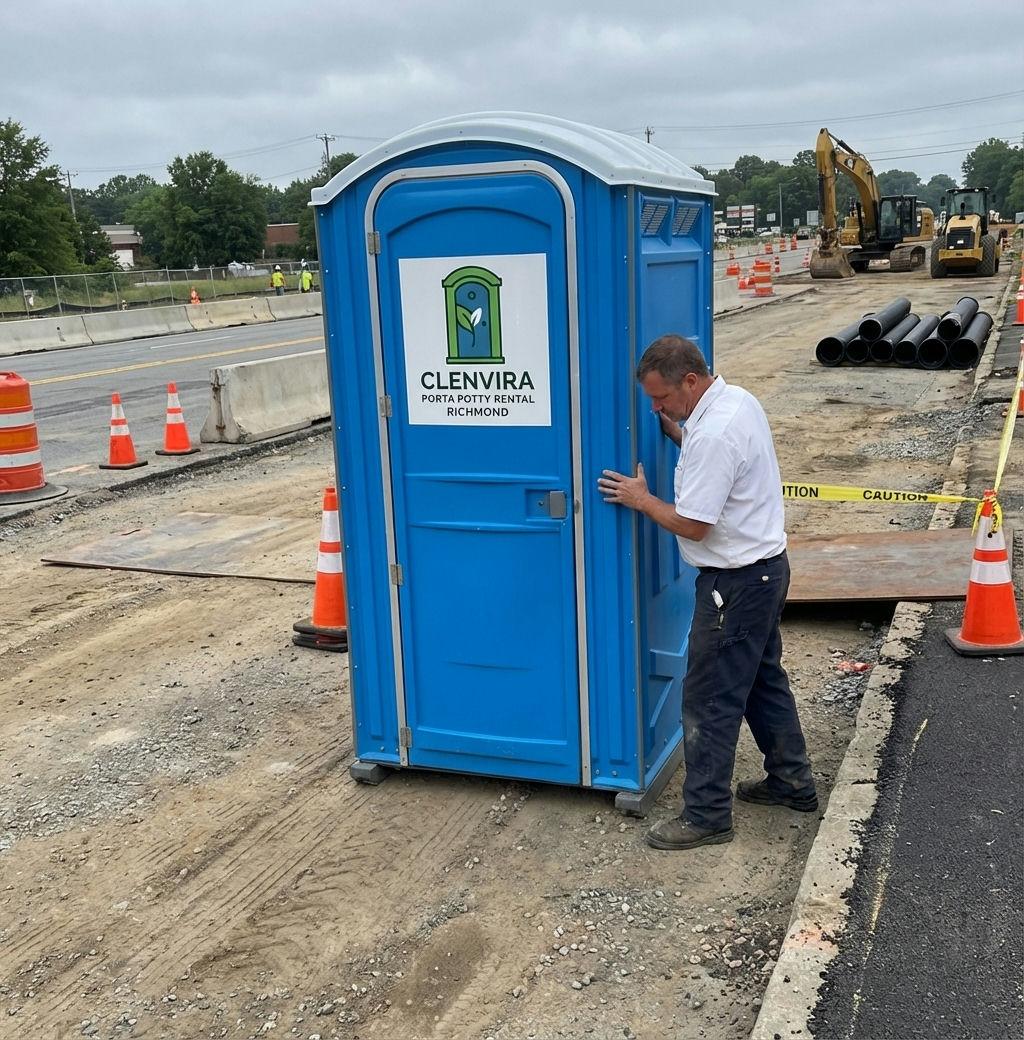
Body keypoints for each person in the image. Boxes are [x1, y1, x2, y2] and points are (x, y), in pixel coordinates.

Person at [597, 335, 817, 851]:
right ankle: (792, 782)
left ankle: (707, 815)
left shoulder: (714, 433)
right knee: (762, 683)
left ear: (690, 381)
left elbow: (692, 524)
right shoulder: (737, 401)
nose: (655, 408)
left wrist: (641, 498)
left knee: (709, 702)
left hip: (734, 587)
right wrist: (680, 434)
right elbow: (715, 453)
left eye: (661, 398)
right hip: (766, 572)